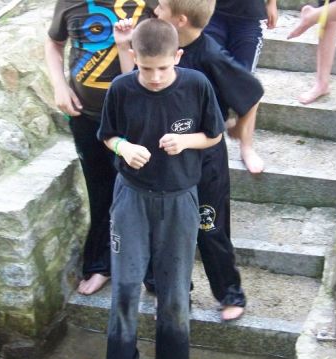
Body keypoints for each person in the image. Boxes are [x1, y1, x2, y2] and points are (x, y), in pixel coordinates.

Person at [114, 0, 265, 321]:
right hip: (161, 159)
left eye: (162, 7)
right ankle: (163, 287)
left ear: (180, 20)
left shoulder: (209, 55)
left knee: (210, 226)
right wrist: (125, 47)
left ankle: (229, 292)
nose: (155, 10)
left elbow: (251, 91)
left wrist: (239, 130)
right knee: (160, 227)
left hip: (204, 161)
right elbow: (133, 84)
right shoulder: (158, 47)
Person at [98, 18, 224, 359]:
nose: (154, 77)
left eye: (163, 68)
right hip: (131, 198)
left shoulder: (197, 85)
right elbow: (107, 135)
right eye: (146, 68)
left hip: (180, 198)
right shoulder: (121, 88)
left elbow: (214, 135)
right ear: (134, 57)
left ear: (178, 57)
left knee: (174, 289)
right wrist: (124, 147)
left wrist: (186, 142)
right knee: (125, 286)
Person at [45, 0, 155, 295]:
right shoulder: (69, 3)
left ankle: (156, 274)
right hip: (87, 117)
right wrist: (59, 85)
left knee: (147, 192)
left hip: (139, 117)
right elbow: (54, 43)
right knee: (100, 190)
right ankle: (102, 264)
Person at [201, 0, 277, 174]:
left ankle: (246, 146)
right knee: (207, 73)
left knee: (246, 79)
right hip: (212, 12)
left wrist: (271, 4)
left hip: (249, 17)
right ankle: (207, 133)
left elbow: (248, 85)